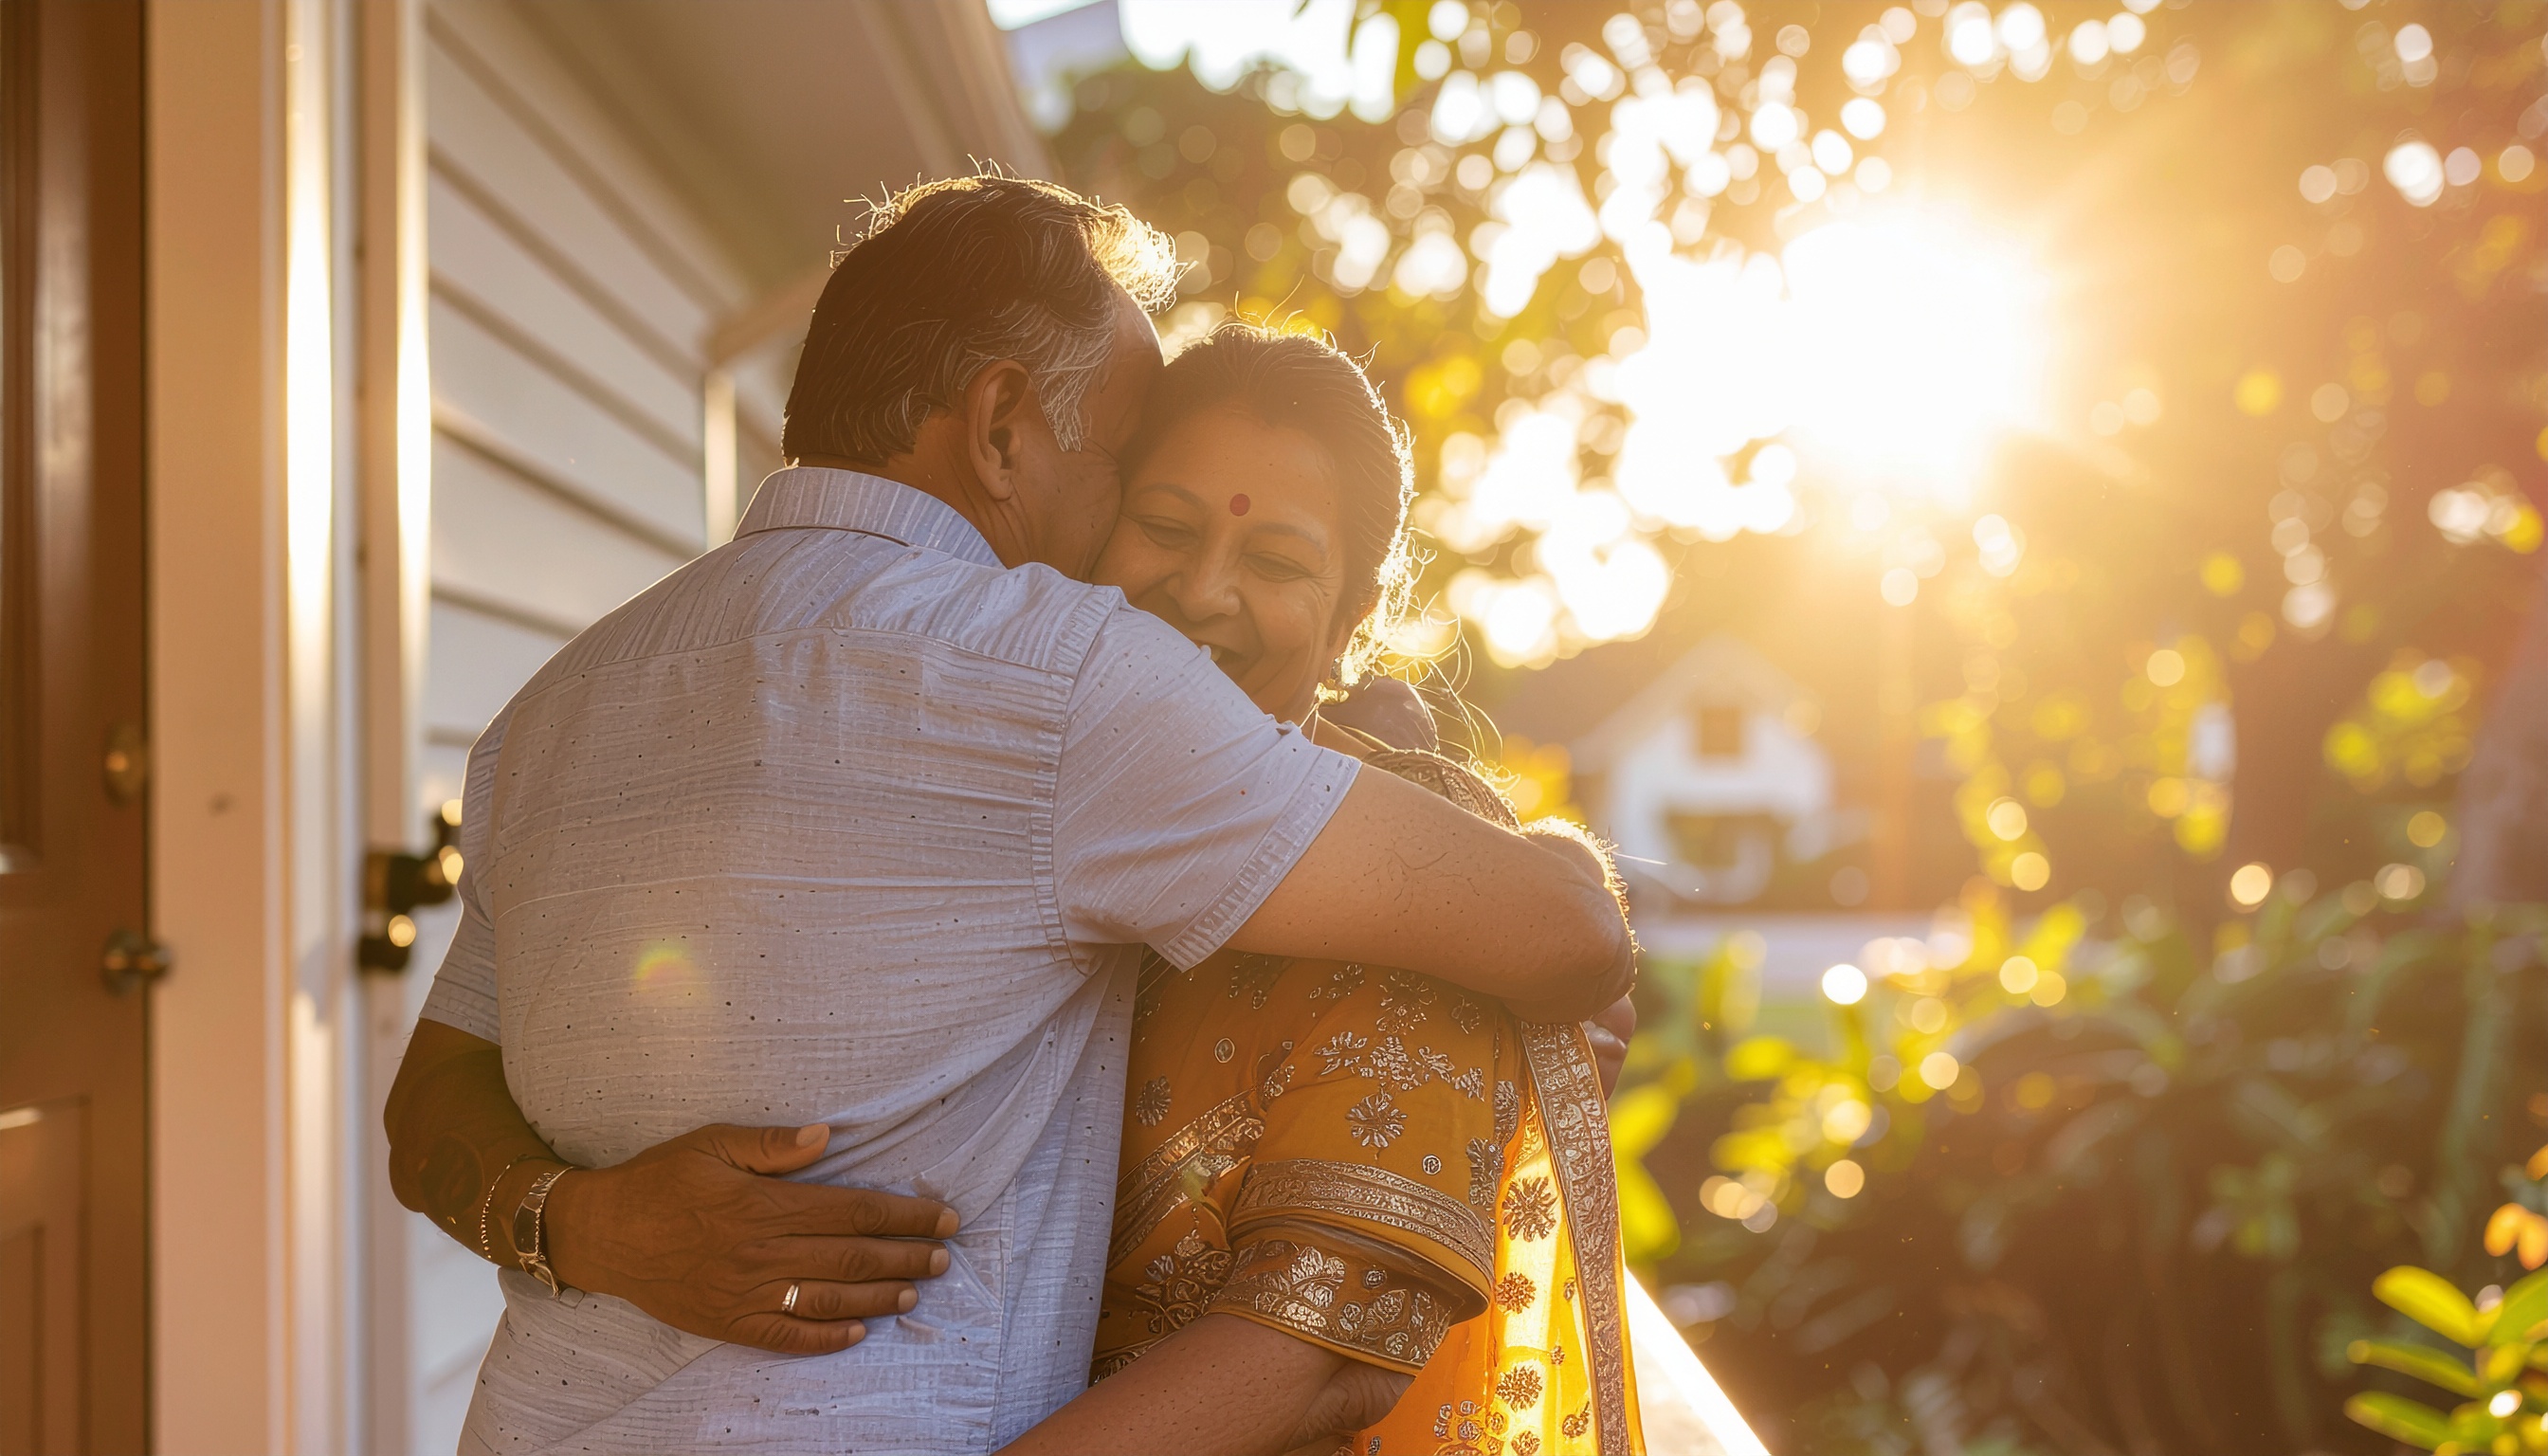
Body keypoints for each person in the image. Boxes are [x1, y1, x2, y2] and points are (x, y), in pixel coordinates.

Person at [384, 173, 1634, 1455]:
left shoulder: (555, 707)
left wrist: (574, 1224)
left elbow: (427, 1108)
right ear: (999, 428)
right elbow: (1573, 935)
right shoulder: (1064, 681)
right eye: (1135, 486)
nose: (1189, 590)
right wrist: (1539, 864)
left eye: (1270, 558)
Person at [998, 325, 1644, 1455]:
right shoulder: (995, 774)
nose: (1201, 591)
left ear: (1353, 627)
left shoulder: (1429, 908)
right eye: (1164, 529)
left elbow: (1318, 1361)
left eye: (1279, 562)